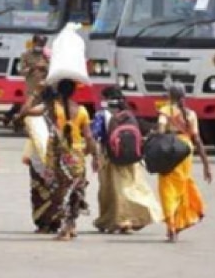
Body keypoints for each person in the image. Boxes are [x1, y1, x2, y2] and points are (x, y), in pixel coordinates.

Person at [24, 78, 99, 241]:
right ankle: (71, 227)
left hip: (59, 159)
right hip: (77, 158)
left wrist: (35, 92)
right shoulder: (82, 111)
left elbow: (26, 111)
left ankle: (65, 230)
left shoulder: (52, 107)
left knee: (60, 194)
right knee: (75, 193)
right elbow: (89, 137)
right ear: (73, 91)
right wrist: (94, 156)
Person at [91, 86, 161, 234]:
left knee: (111, 191)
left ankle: (116, 220)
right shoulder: (129, 114)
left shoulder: (102, 115)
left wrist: (95, 157)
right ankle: (139, 216)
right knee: (134, 187)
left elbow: (95, 137)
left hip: (110, 158)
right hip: (131, 158)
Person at [157, 82, 212, 243]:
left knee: (167, 188)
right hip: (186, 151)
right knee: (183, 185)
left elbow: (160, 131)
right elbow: (197, 140)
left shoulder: (166, 111)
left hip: (170, 150)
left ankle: (172, 227)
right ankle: (186, 217)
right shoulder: (191, 114)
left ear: (170, 96)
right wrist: (206, 165)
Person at [16, 84, 61, 234]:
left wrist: (34, 94)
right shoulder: (67, 109)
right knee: (57, 190)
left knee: (39, 191)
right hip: (60, 157)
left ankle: (44, 223)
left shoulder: (43, 109)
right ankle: (55, 221)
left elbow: (23, 113)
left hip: (41, 156)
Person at [2, 34, 49, 128]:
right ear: (34, 43)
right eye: (39, 43)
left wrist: (46, 67)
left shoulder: (47, 55)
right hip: (31, 87)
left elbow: (53, 70)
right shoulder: (25, 55)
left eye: (43, 44)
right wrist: (33, 67)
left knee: (45, 108)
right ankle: (19, 120)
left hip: (45, 86)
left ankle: (40, 126)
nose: (41, 46)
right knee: (29, 107)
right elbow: (21, 71)